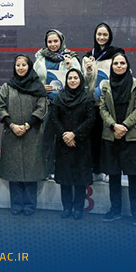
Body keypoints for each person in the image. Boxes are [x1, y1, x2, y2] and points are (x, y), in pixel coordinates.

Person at [0, 55, 48, 216]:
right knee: (14, 171)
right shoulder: (7, 87)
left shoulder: (37, 87)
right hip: (12, 133)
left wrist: (26, 126)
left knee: (31, 170)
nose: (20, 68)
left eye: (23, 65)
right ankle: (17, 204)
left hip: (32, 134)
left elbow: (42, 108)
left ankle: (30, 205)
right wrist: (12, 125)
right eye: (18, 65)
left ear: (29, 66)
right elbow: (0, 106)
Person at [98, 53, 136, 226]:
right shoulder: (106, 85)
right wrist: (114, 126)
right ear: (112, 67)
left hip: (132, 136)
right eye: (116, 63)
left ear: (127, 65)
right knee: (114, 175)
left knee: (134, 176)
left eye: (122, 63)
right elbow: (102, 108)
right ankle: (115, 210)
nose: (119, 66)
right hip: (112, 136)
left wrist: (124, 126)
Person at [34, 29, 81, 177]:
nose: (53, 44)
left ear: (61, 41)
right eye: (50, 41)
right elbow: (32, 81)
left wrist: (69, 66)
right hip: (46, 104)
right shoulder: (40, 59)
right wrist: (41, 87)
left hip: (66, 105)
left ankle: (62, 170)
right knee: (46, 138)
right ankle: (46, 170)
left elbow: (79, 79)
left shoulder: (71, 57)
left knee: (63, 138)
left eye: (55, 41)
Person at [50, 69, 94, 221]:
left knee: (80, 179)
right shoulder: (59, 98)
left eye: (76, 78)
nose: (73, 80)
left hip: (81, 144)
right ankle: (67, 207)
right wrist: (65, 135)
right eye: (70, 78)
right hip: (63, 145)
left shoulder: (87, 98)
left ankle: (78, 208)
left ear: (80, 80)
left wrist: (74, 134)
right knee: (65, 178)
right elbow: (54, 118)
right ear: (66, 80)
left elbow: (90, 119)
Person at [83, 23, 125, 180]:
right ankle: (96, 170)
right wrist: (88, 70)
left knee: (111, 138)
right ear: (95, 36)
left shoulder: (117, 54)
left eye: (105, 35)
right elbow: (85, 83)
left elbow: (122, 75)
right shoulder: (88, 56)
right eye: (99, 34)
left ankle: (111, 170)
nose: (102, 37)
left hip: (111, 104)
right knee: (94, 138)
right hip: (94, 104)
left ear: (110, 36)